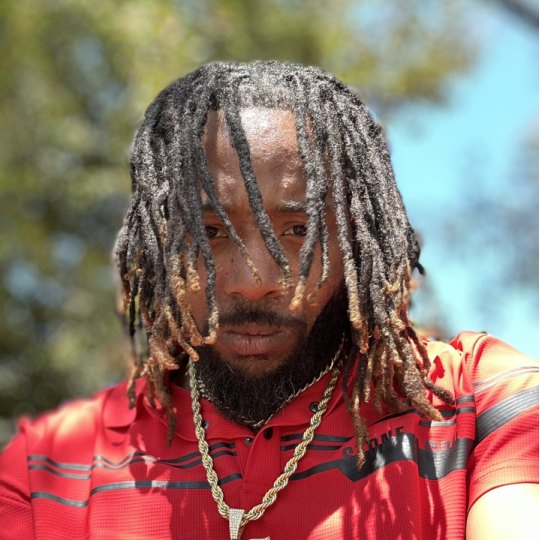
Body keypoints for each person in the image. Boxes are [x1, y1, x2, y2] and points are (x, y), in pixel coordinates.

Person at [0, 61, 538, 540]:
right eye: (210, 232)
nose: (253, 281)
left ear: (355, 238)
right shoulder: (45, 467)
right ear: (160, 244)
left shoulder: (481, 404)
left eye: (299, 230)